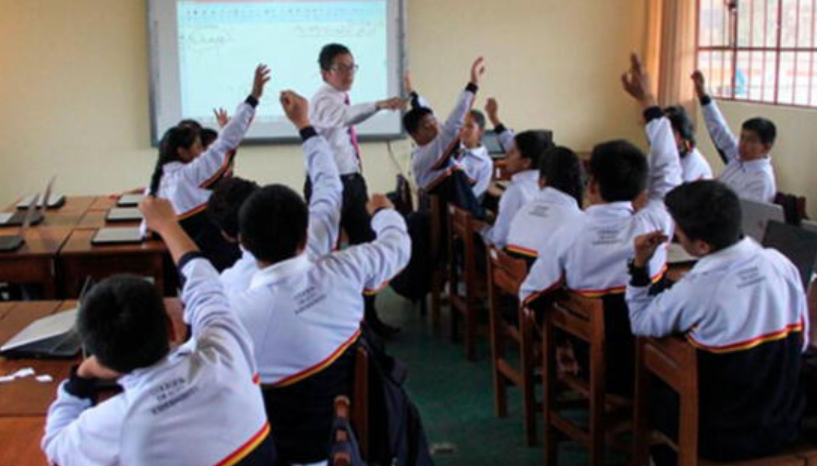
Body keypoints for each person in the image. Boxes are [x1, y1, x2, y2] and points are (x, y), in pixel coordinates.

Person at [229, 89, 412, 465]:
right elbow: (333, 191)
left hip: (271, 447)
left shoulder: (232, 311)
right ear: (303, 236)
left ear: (242, 243)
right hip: (345, 435)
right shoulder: (344, 269)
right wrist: (383, 212)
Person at [41, 196, 276, 466]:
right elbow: (204, 285)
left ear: (105, 362)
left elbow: (55, 446)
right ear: (172, 328)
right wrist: (168, 225)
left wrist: (82, 377)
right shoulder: (226, 351)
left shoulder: (116, 423)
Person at [519, 54, 682, 395]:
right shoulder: (653, 223)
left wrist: (558, 339)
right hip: (652, 370)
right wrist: (648, 101)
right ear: (640, 192)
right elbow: (669, 168)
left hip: (595, 369)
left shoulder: (568, 232)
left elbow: (530, 294)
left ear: (590, 185)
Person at [627, 180, 807, 464]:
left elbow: (641, 322)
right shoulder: (780, 263)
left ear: (701, 245)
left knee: (653, 399)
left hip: (723, 437)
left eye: (678, 232)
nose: (674, 235)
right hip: (784, 422)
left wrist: (639, 266)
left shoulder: (700, 286)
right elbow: (803, 343)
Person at [309, 43, 406, 336]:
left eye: (352, 66)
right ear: (325, 72)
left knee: (366, 244)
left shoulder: (340, 97)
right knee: (322, 253)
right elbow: (345, 116)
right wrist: (379, 105)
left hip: (352, 181)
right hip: (327, 186)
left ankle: (368, 320)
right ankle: (330, 324)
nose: (349, 72)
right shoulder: (323, 100)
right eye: (341, 67)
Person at [145, 65, 270, 271]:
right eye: (197, 146)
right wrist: (254, 97)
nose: (202, 151)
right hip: (210, 257)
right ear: (182, 152)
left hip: (177, 260)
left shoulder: (159, 181)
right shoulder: (189, 174)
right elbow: (226, 142)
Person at [691, 70, 777, 202]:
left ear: (766, 147)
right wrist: (702, 95)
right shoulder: (739, 158)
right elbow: (720, 131)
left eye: (751, 140)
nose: (743, 144)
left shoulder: (761, 181)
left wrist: (708, 191)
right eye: (742, 138)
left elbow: (738, 211)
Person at [505, 146, 585, 262]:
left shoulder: (523, 210)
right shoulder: (578, 220)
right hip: (545, 272)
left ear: (541, 180)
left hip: (512, 272)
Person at [663, 105, 713, 182]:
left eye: (670, 133)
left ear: (682, 136)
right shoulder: (669, 151)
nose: (664, 136)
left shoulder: (692, 159)